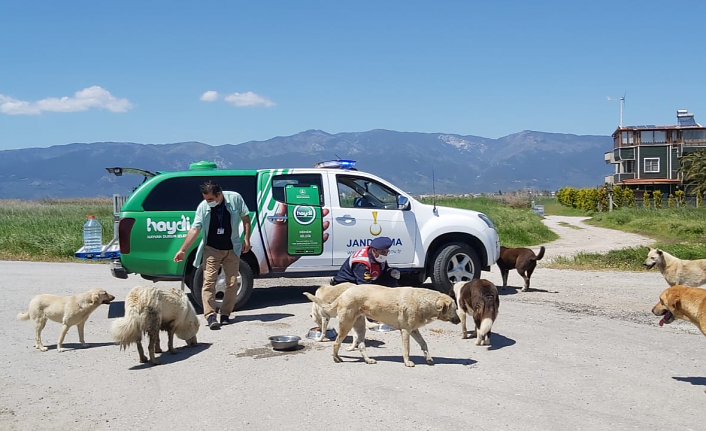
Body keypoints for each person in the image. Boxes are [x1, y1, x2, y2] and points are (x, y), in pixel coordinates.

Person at [174, 180, 251, 329]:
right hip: (211, 248)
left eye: (210, 199)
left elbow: (246, 218)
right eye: (205, 199)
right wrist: (182, 249)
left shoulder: (235, 198)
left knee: (232, 282)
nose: (207, 202)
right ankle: (210, 316)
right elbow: (195, 229)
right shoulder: (203, 207)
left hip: (232, 247)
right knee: (209, 282)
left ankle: (225, 314)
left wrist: (246, 239)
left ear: (219, 194)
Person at [332, 236, 400, 287]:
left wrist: (391, 271)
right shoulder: (361, 262)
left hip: (367, 281)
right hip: (348, 283)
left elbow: (383, 271)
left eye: (387, 252)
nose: (385, 255)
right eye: (383, 252)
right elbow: (364, 286)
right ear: (374, 250)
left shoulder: (379, 256)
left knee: (392, 279)